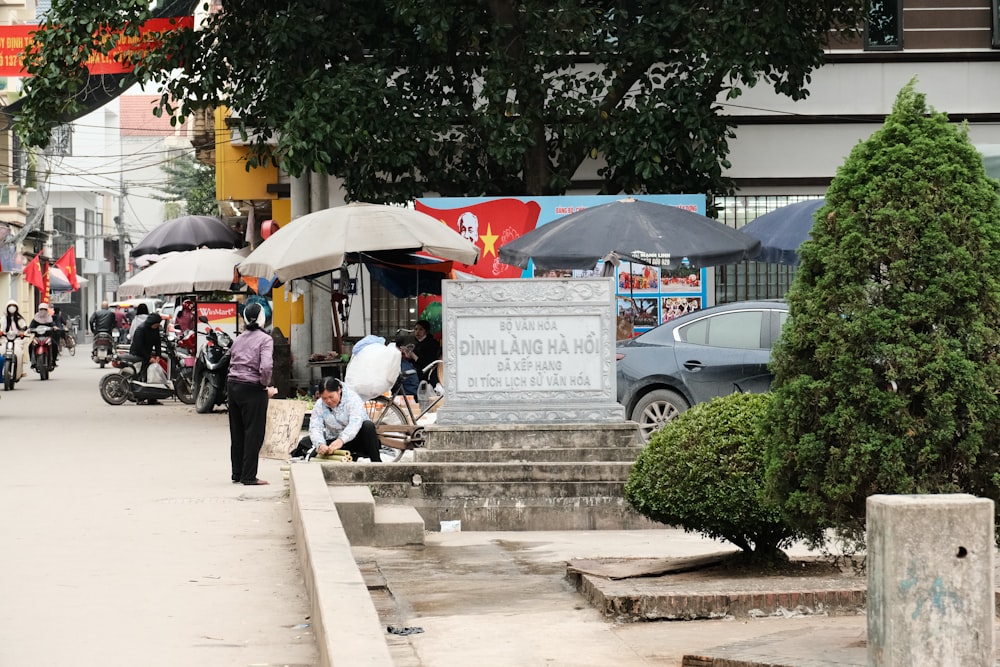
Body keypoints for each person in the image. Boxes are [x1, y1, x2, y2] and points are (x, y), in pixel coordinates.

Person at [227, 302, 278, 486]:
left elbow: (231, 359)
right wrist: (265, 386)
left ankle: (237, 473)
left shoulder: (239, 338)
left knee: (237, 431)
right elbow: (266, 366)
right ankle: (249, 476)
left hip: (233, 386)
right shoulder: (265, 339)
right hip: (252, 388)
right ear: (263, 318)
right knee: (253, 433)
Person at [295, 376, 382, 462]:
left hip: (356, 439)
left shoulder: (353, 399)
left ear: (339, 390)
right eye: (324, 398)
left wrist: (341, 440)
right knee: (309, 448)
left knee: (368, 425)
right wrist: (320, 444)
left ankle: (377, 463)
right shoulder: (319, 405)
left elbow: (355, 424)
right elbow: (315, 427)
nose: (328, 401)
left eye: (331, 397)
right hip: (334, 440)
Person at [128, 312, 163, 390]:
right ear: (151, 323)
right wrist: (148, 357)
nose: (157, 326)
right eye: (156, 325)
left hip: (147, 354)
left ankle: (152, 396)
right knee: (140, 375)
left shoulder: (155, 329)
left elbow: (157, 343)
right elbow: (139, 346)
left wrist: (158, 355)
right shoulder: (141, 329)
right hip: (137, 355)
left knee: (150, 375)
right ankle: (139, 398)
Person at [405, 319, 442, 385]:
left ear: (426, 331)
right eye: (416, 329)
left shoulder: (432, 344)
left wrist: (414, 356)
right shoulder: (417, 344)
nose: (417, 332)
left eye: (421, 329)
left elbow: (427, 364)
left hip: (425, 374)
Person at [1, 300, 28, 379]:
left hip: (17, 340)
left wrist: (23, 334)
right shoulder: (3, 319)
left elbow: (25, 329)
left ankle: (19, 371)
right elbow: (1, 328)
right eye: (10, 306)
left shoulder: (20, 319)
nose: (11, 308)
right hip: (5, 340)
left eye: (13, 306)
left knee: (20, 353)